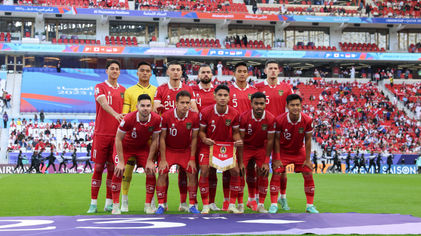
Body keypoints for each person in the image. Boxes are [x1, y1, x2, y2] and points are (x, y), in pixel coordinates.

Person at [154, 61, 198, 212]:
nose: (175, 72)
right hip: (169, 143)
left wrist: (193, 115)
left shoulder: (188, 89)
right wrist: (163, 158)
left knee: (190, 172)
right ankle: (161, 204)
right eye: (172, 69)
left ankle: (190, 204)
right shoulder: (161, 89)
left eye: (178, 70)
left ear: (181, 72)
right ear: (167, 72)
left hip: (185, 146)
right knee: (162, 172)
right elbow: (155, 109)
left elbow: (194, 110)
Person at [112, 94, 161, 215]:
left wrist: (150, 160)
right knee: (118, 171)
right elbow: (118, 138)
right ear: (137, 106)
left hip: (142, 148)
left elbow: (155, 140)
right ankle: (116, 205)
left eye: (148, 106)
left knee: (151, 171)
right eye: (142, 105)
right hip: (125, 148)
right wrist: (121, 162)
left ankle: (148, 205)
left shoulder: (156, 119)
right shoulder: (128, 118)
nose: (145, 108)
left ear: (151, 107)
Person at [269, 94, 318, 214]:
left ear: (301, 106)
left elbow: (308, 141)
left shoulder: (307, 120)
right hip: (283, 150)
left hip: (298, 151)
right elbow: (275, 140)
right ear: (287, 106)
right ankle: (274, 204)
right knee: (277, 172)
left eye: (297, 105)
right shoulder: (280, 120)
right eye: (292, 105)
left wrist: (307, 159)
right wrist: (277, 157)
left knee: (307, 172)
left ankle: (310, 205)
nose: (295, 107)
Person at [87, 60, 126, 214]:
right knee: (97, 168)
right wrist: (116, 114)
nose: (115, 71)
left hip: (117, 136)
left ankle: (109, 203)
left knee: (112, 169)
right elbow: (103, 104)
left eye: (117, 69)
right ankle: (93, 203)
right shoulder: (99, 87)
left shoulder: (124, 90)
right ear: (107, 71)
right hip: (101, 134)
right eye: (112, 69)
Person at [198, 84, 243, 214]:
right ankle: (206, 205)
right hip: (209, 145)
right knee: (205, 171)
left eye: (225, 95)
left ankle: (231, 205)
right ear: (215, 96)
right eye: (220, 95)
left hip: (226, 146)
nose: (222, 98)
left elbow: (235, 132)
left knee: (235, 171)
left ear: (229, 97)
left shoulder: (234, 113)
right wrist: (205, 139)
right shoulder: (206, 112)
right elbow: (201, 132)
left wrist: (237, 139)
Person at [119, 62, 157, 213]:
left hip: (149, 138)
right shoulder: (129, 91)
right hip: (132, 138)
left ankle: (150, 202)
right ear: (137, 73)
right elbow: (125, 113)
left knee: (151, 170)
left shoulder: (156, 90)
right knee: (127, 171)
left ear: (151, 73)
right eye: (142, 70)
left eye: (148, 71)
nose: (145, 73)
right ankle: (124, 200)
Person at [228, 62, 258, 212]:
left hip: (250, 136)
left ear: (248, 74)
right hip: (232, 135)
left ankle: (251, 199)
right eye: (239, 71)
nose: (241, 73)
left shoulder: (254, 91)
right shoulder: (228, 91)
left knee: (250, 169)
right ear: (234, 73)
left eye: (244, 71)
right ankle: (234, 201)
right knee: (233, 170)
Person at [239, 92, 275, 213]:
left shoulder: (270, 118)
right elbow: (241, 140)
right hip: (246, 148)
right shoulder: (244, 117)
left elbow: (270, 141)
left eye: (261, 103)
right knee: (240, 171)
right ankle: (244, 202)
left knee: (264, 172)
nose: (259, 106)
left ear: (265, 104)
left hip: (261, 148)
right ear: (251, 104)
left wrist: (266, 161)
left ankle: (260, 204)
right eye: (256, 103)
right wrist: (240, 160)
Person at [191, 64, 219, 211]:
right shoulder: (191, 90)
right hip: (196, 136)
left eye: (208, 72)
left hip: (214, 138)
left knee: (213, 171)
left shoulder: (218, 92)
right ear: (198, 75)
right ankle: (193, 202)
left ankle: (212, 202)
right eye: (203, 72)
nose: (206, 74)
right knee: (194, 170)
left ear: (212, 75)